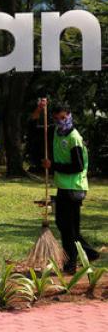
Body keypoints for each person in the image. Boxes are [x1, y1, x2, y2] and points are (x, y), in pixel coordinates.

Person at [34, 99, 100, 272]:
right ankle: (89, 253)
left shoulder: (74, 138)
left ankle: (70, 264)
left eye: (63, 117)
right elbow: (34, 126)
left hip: (74, 188)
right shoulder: (57, 132)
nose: (60, 121)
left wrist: (52, 166)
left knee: (68, 228)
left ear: (69, 116)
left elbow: (77, 166)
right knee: (65, 225)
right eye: (56, 118)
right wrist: (40, 110)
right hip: (63, 186)